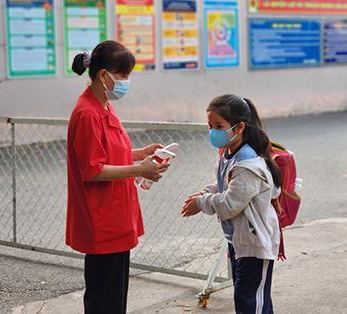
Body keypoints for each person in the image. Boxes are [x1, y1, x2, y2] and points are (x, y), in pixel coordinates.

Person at [66, 40, 169, 314]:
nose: (127, 81)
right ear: (103, 75)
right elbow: (93, 169)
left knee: (113, 295)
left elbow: (109, 152)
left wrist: (140, 154)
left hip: (114, 216)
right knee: (105, 299)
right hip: (102, 220)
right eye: (123, 75)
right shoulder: (88, 113)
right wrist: (140, 169)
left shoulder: (102, 106)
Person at [181, 95, 281, 314]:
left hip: (255, 244)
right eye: (210, 126)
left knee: (250, 301)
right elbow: (223, 184)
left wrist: (201, 202)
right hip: (240, 241)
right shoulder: (229, 153)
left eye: (218, 126)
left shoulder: (247, 162)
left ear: (239, 127)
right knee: (250, 298)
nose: (212, 132)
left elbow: (230, 203)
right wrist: (205, 193)